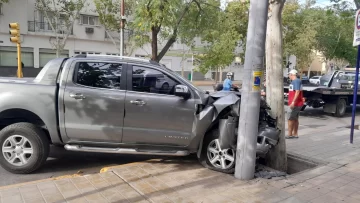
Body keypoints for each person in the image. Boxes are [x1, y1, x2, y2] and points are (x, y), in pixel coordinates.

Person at [286, 69, 304, 139]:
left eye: (289, 75)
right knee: (295, 119)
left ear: (291, 74)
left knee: (290, 118)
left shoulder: (295, 81)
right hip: (298, 103)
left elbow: (297, 91)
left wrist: (293, 102)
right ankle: (295, 134)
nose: (288, 76)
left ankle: (290, 134)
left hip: (295, 104)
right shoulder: (297, 81)